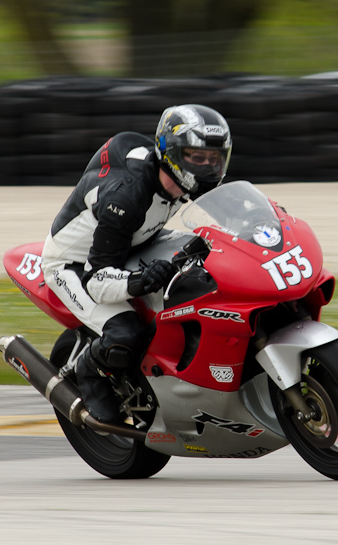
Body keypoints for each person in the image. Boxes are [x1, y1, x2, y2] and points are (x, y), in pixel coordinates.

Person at [40, 104, 233, 422]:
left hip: (138, 240)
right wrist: (141, 281)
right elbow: (97, 279)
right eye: (197, 157)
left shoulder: (184, 179)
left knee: (209, 268)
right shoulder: (126, 198)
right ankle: (89, 371)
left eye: (214, 158)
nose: (208, 166)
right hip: (75, 265)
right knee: (125, 333)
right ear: (171, 154)